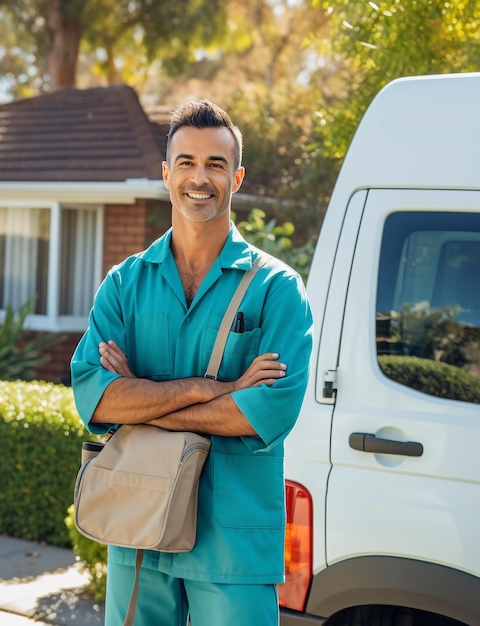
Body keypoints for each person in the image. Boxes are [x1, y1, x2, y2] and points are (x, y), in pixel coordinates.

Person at [71, 100, 313, 626]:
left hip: (231, 545)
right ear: (166, 173)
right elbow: (95, 395)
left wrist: (140, 398)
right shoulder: (124, 283)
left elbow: (260, 413)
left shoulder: (277, 290)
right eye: (186, 162)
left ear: (237, 177)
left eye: (215, 164)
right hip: (138, 530)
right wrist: (213, 388)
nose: (199, 178)